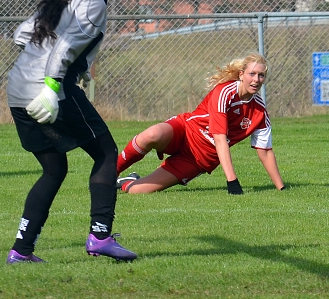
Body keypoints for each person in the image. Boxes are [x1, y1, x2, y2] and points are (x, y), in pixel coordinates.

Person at [6, 0, 136, 264]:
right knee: (106, 153)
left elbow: (22, 34)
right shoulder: (93, 0)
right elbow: (64, 47)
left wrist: (57, 65)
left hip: (18, 89)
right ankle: (101, 237)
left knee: (54, 169)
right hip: (50, 90)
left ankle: (21, 251)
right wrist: (51, 85)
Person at [115, 53, 285, 195]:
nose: (256, 79)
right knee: (152, 134)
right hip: (186, 131)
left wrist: (281, 188)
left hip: (199, 160)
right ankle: (110, 173)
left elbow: (265, 151)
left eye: (261, 75)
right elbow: (220, 139)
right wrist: (232, 181)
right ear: (241, 74)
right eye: (252, 74)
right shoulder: (224, 91)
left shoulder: (260, 111)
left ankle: (128, 181)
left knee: (135, 191)